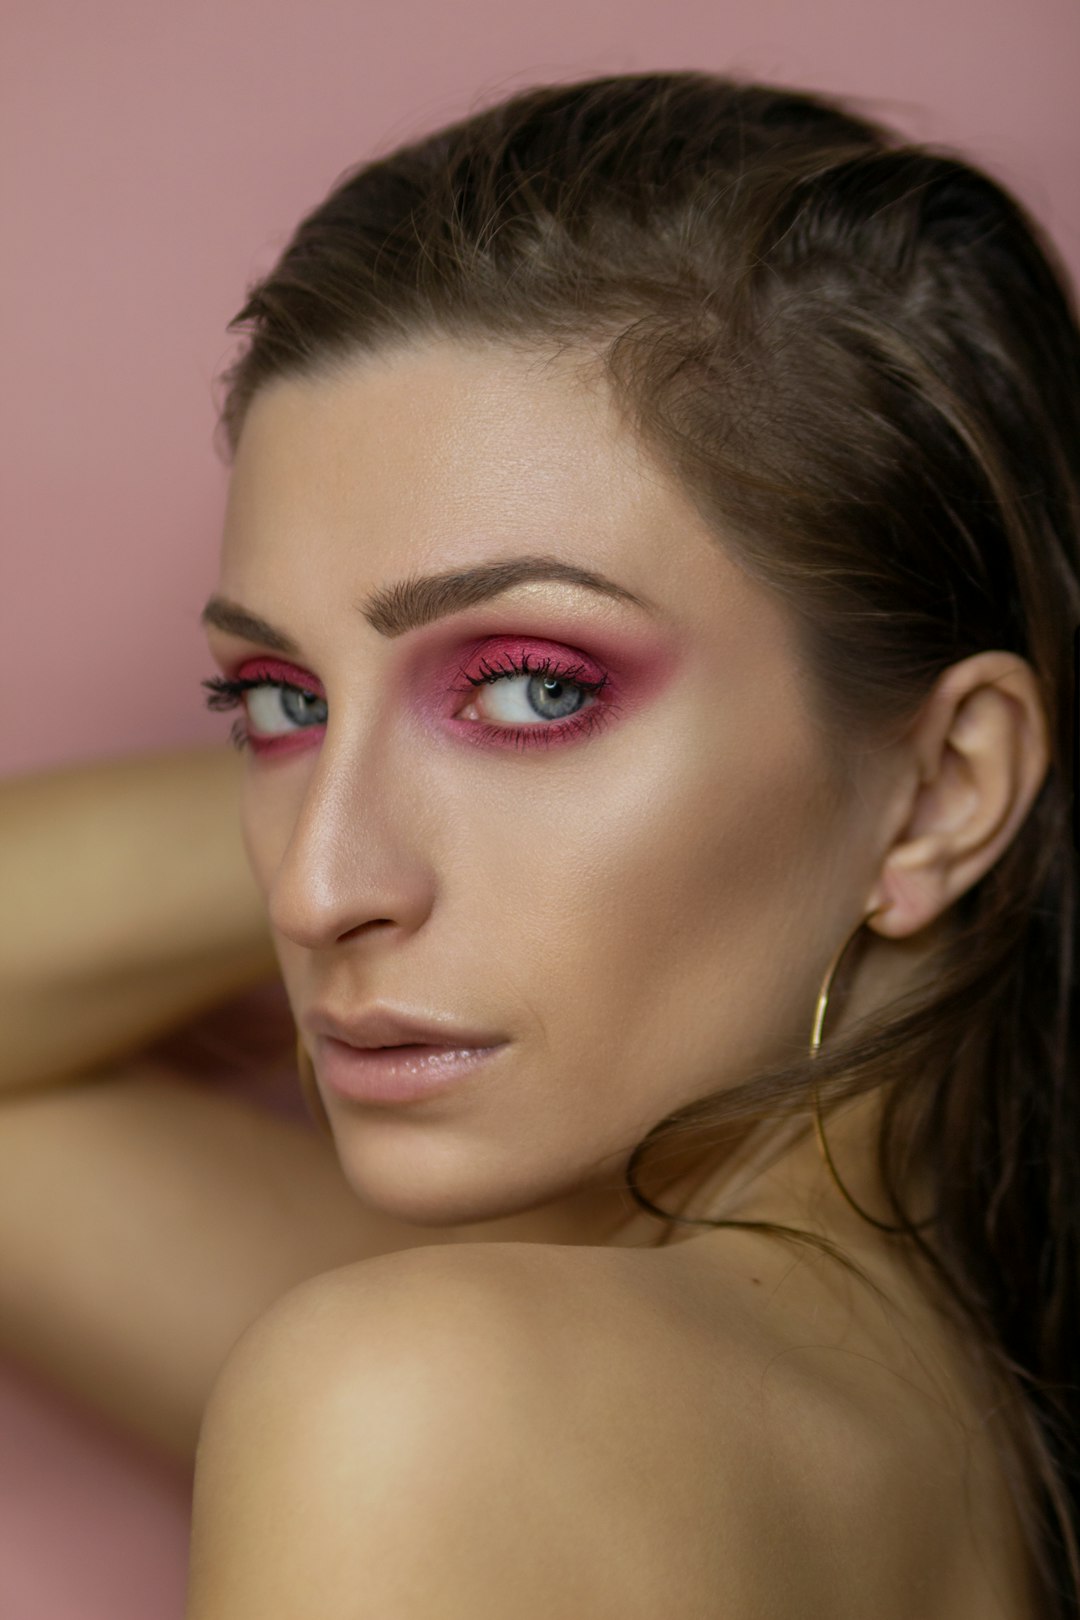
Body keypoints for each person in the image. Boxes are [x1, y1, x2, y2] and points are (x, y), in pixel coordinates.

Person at [3, 69, 1076, 1618]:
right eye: (274, 698)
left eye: (534, 686)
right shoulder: (949, 1428)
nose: (314, 888)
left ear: (948, 786)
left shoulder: (431, 1402)